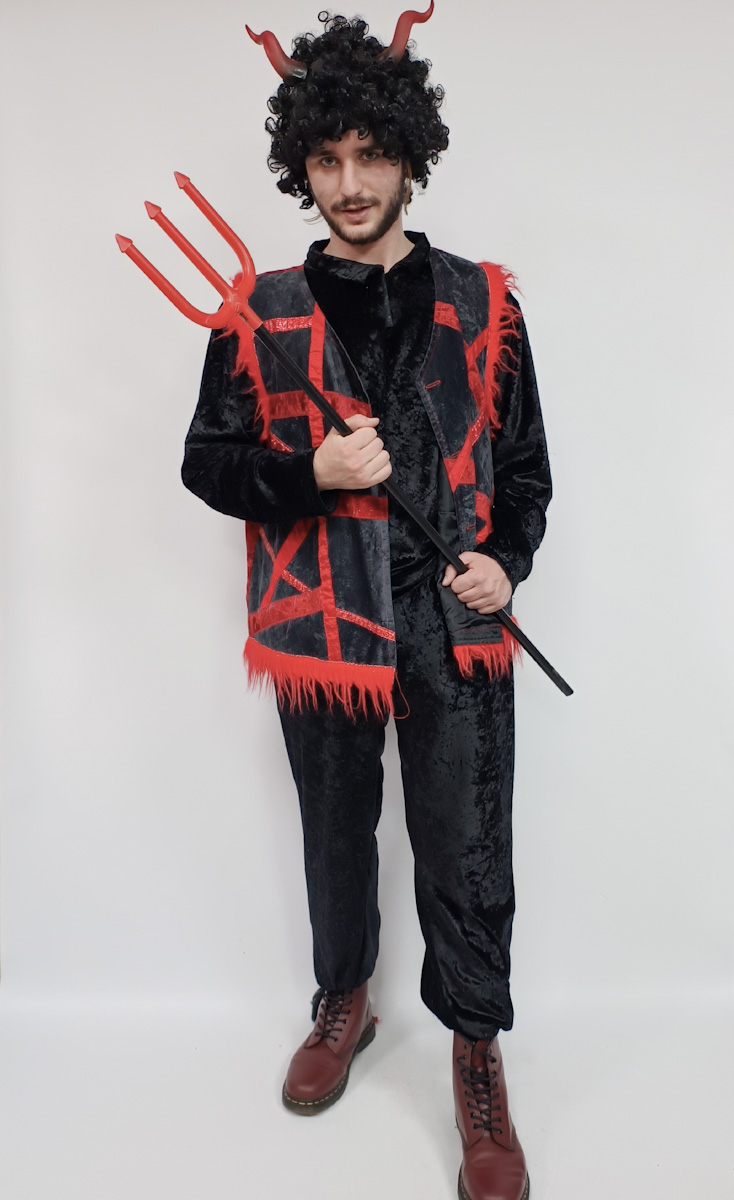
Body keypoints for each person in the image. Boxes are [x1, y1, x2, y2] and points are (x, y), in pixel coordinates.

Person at [182, 9, 551, 1199]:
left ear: (408, 155)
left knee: (465, 844)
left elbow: (524, 471)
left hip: (452, 620)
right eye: (326, 159)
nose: (348, 184)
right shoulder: (257, 309)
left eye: (370, 156)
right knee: (335, 830)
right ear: (301, 163)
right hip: (321, 624)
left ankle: (475, 1048)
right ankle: (343, 997)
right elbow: (207, 463)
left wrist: (505, 562)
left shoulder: (484, 302)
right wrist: (310, 472)